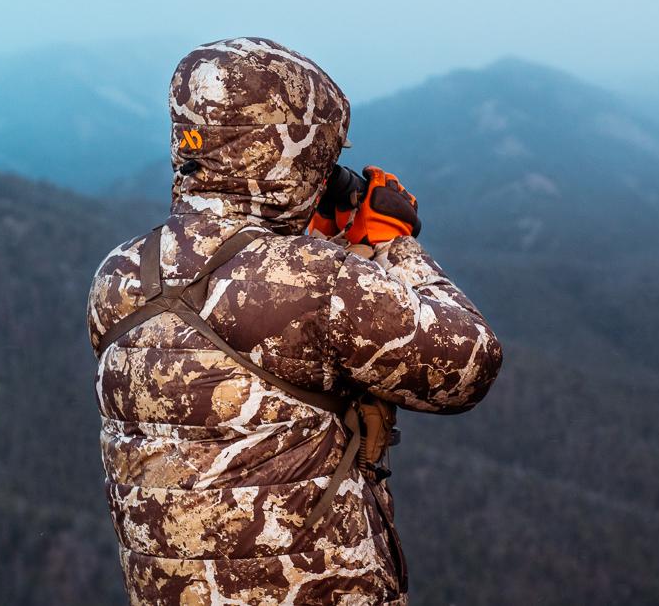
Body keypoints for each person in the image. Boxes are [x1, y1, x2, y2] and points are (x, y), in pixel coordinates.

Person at [86, 37, 503, 605]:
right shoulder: (312, 280)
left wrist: (304, 239)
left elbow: (241, 317)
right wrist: (392, 244)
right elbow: (470, 365)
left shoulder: (119, 276)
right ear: (289, 147)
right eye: (322, 156)